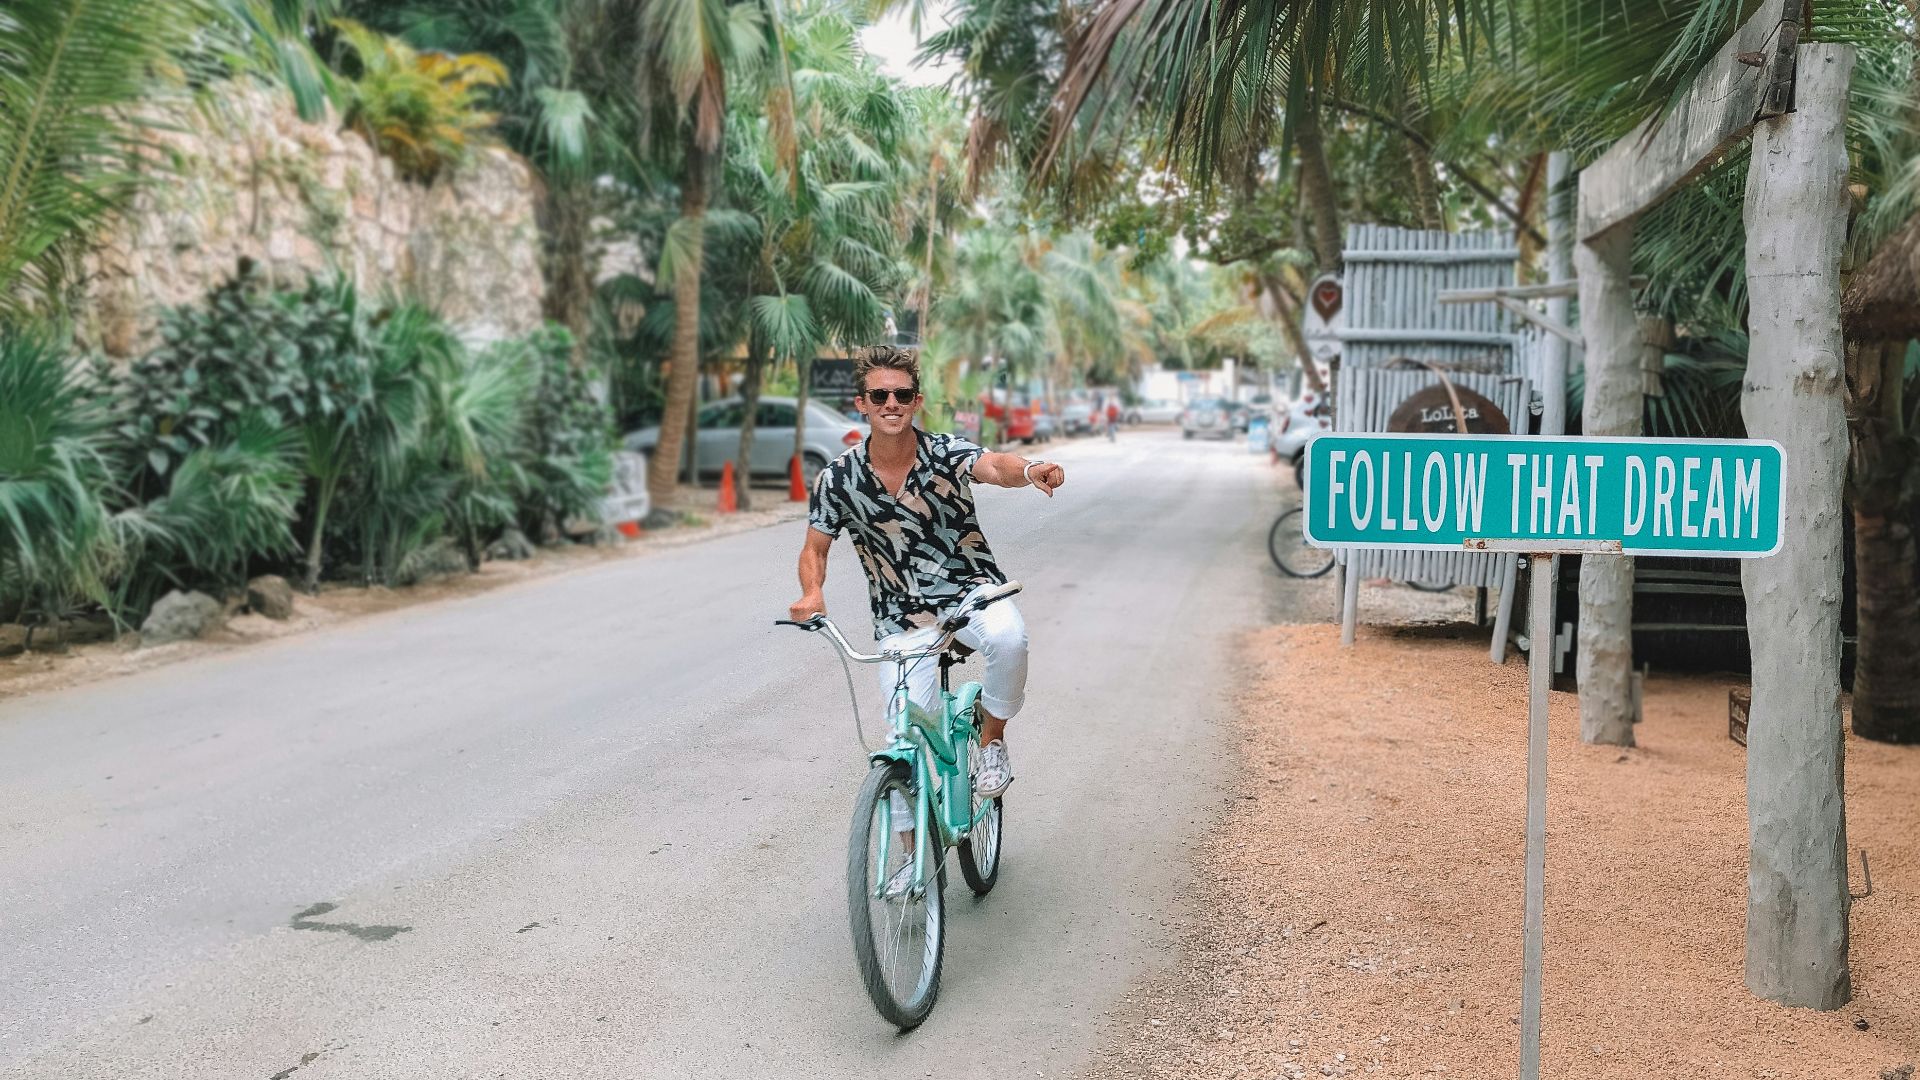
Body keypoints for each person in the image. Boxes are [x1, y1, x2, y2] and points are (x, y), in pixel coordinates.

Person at [790, 345, 1065, 799]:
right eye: (879, 396)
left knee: (1008, 638)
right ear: (861, 403)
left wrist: (1032, 469)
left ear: (917, 401)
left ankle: (992, 739)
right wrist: (811, 593)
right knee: (903, 744)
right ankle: (906, 865)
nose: (891, 404)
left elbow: (995, 465)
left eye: (902, 395)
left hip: (971, 591)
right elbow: (815, 548)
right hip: (900, 616)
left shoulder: (944, 452)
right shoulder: (838, 479)